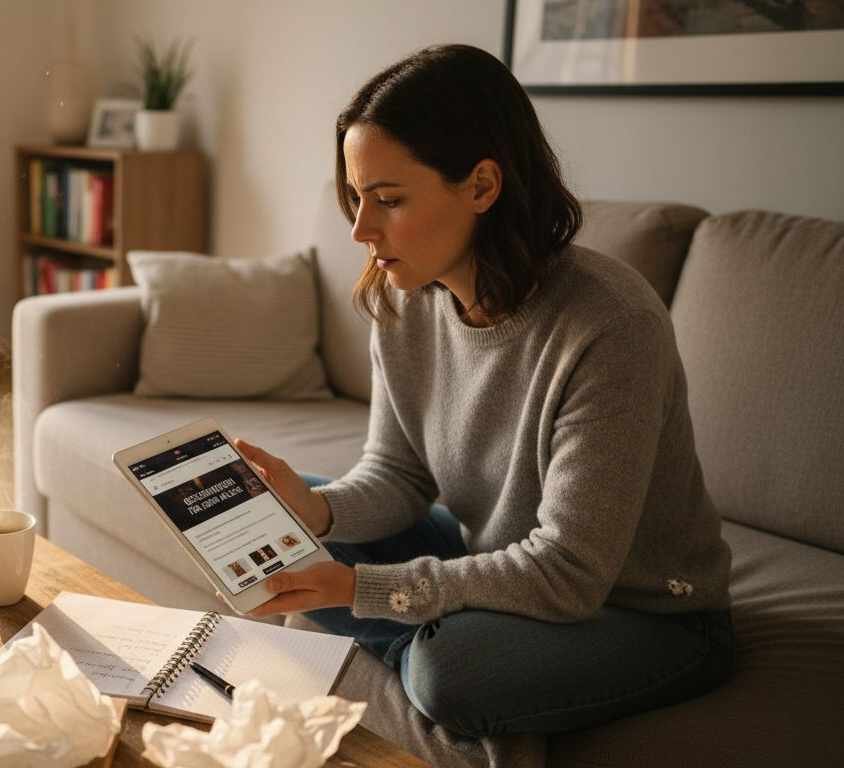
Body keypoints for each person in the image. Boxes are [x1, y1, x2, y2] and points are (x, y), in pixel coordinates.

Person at [233, 43, 734, 739]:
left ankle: (431, 652)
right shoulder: (406, 301)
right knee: (287, 539)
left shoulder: (611, 325)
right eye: (355, 197)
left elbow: (568, 571)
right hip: (488, 553)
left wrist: (369, 594)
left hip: (645, 613)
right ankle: (435, 635)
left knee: (452, 676)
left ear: (482, 186)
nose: (359, 229)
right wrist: (314, 510)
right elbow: (399, 475)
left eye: (388, 200)